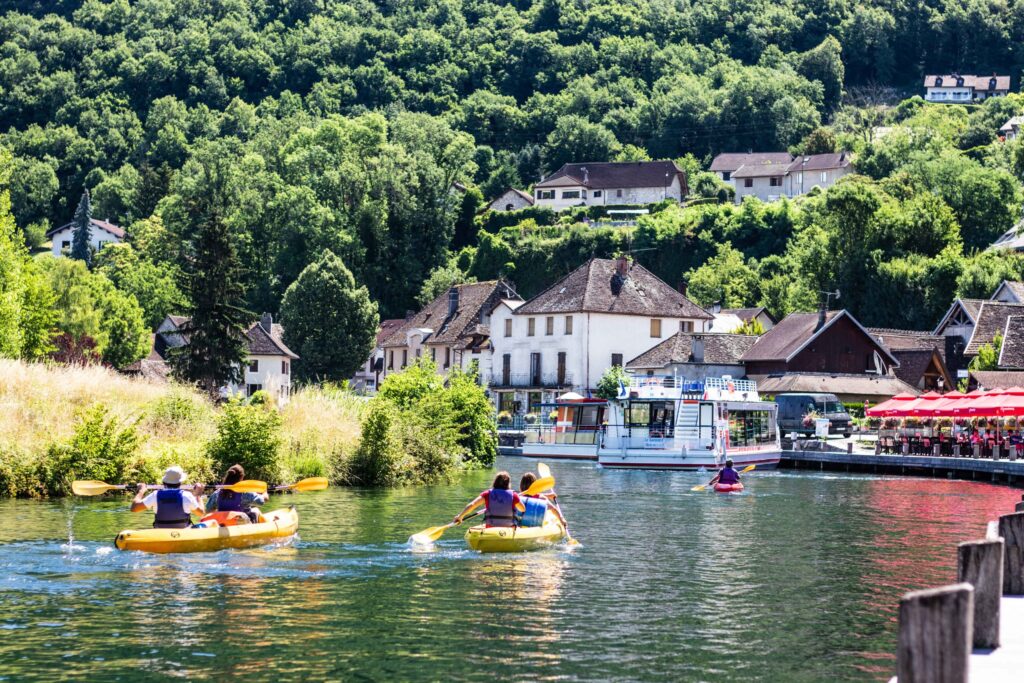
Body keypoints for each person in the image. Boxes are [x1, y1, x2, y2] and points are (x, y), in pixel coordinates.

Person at [131, 466, 205, 529]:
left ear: (164, 482)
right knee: (212, 523)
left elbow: (134, 508)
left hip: (162, 534)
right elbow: (201, 513)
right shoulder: (187, 495)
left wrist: (141, 491)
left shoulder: (155, 495)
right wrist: (198, 495)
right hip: (183, 534)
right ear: (180, 482)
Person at [453, 471, 524, 528]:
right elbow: (523, 509)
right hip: (508, 528)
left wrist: (460, 516)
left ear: (495, 482)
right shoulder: (514, 495)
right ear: (508, 483)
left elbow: (472, 505)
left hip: (491, 527)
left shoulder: (487, 494)